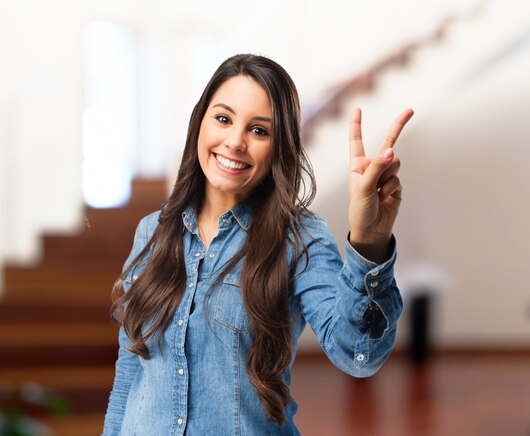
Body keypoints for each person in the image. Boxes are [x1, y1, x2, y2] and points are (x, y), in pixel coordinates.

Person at [103, 53, 413, 436]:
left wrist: (370, 240)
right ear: (200, 122)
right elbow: (130, 371)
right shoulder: (152, 231)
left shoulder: (300, 239)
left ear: (279, 146)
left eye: (259, 131)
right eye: (223, 118)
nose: (234, 142)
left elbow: (358, 356)